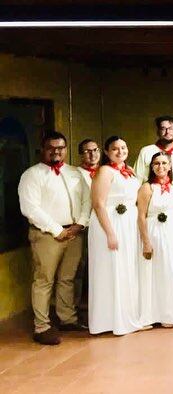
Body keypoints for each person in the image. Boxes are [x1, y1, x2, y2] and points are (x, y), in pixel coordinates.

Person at [18, 131, 91, 345]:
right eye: (51, 148)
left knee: (68, 278)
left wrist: (80, 223)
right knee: (44, 280)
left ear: (66, 149)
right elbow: (30, 208)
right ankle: (42, 326)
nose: (56, 151)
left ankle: (67, 319)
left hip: (74, 232)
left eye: (60, 147)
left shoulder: (74, 173)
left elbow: (87, 200)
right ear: (43, 150)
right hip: (47, 235)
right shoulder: (32, 175)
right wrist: (56, 229)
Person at [88, 136, 142, 336]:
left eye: (123, 147)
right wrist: (110, 233)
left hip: (128, 224)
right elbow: (98, 204)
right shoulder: (105, 171)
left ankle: (128, 316)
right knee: (111, 268)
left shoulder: (129, 172)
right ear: (106, 151)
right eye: (115, 149)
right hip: (110, 223)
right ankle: (108, 321)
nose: (120, 152)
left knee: (126, 269)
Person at [137, 152, 173, 328]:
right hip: (155, 232)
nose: (161, 167)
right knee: (158, 272)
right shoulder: (147, 188)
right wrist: (146, 242)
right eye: (157, 163)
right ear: (152, 167)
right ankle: (155, 314)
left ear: (170, 166)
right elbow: (141, 216)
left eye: (164, 163)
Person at [74, 138, 100, 312]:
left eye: (95, 150)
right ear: (80, 154)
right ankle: (76, 308)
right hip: (84, 226)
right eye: (87, 151)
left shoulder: (106, 171)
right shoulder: (75, 174)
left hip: (103, 226)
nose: (92, 154)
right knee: (80, 266)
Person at [134, 116, 173, 184]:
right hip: (150, 190)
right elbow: (136, 179)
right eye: (163, 129)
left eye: (171, 128)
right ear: (158, 132)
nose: (167, 132)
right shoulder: (146, 151)